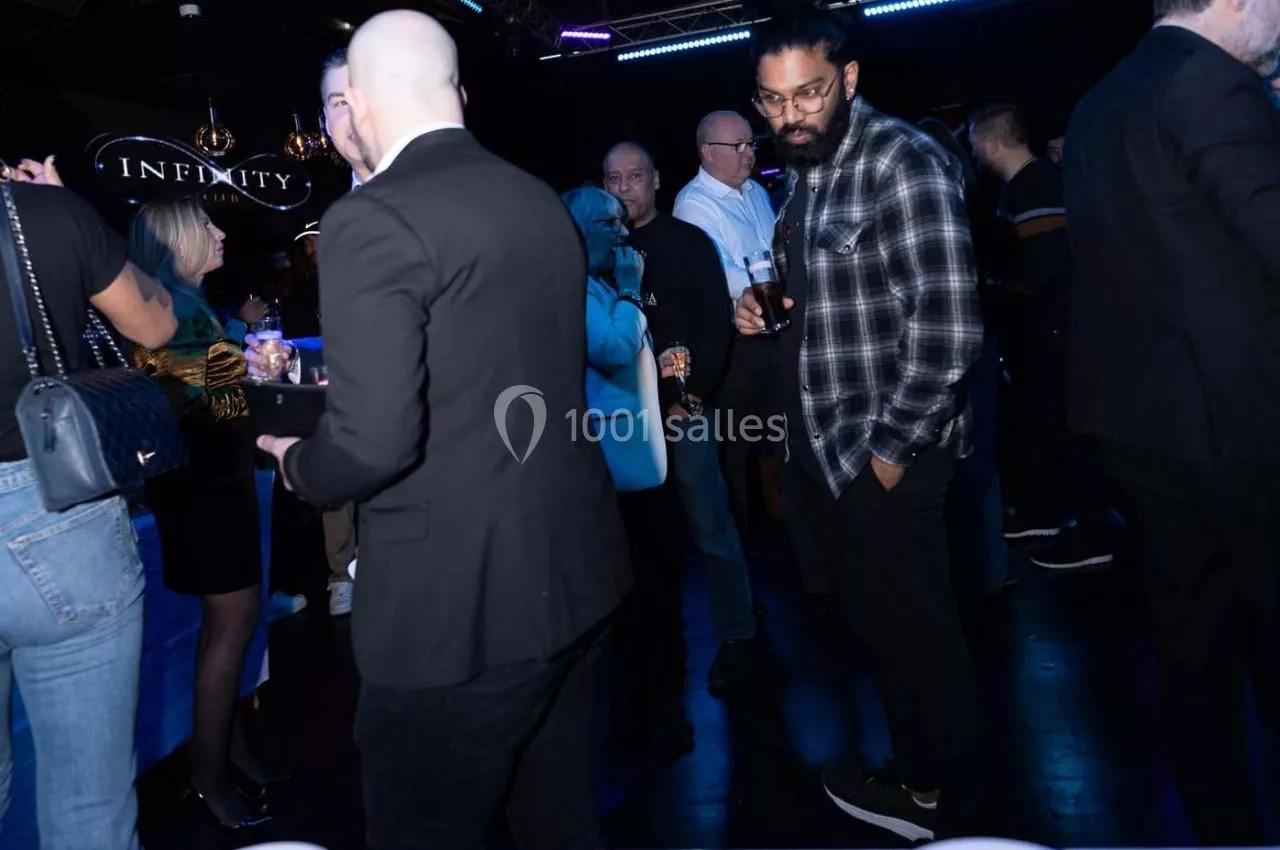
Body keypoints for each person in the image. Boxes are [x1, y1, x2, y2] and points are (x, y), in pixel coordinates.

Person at [256, 11, 630, 848]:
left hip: (457, 615)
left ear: (357, 102)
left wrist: (297, 464)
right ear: (456, 91)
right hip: (578, 575)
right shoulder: (536, 197)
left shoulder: (371, 217)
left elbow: (372, 443)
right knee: (560, 827)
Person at [740, 13, 986, 840]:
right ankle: (924, 776)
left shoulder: (901, 161)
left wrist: (888, 453)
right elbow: (830, 299)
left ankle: (941, 802)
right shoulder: (804, 174)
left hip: (883, 452)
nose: (791, 115)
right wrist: (764, 307)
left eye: (809, 93)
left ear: (847, 80)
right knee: (882, 631)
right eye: (773, 101)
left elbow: (949, 330)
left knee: (918, 637)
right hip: (825, 447)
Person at [1064, 0, 1280, 843]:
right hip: (1240, 420)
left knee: (1194, 646)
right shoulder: (1212, 84)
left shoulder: (1100, 101)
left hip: (1143, 421)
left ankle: (1224, 830)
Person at [0, 175, 175, 850]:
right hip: (52, 510)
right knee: (89, 805)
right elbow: (156, 326)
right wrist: (79, 228)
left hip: (53, 515)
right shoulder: (43, 213)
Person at [129, 197, 275, 836]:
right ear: (176, 238)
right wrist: (256, 370)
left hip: (206, 484)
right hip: (207, 487)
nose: (219, 232)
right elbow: (212, 405)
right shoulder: (175, 308)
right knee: (230, 628)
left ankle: (228, 751)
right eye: (206, 225)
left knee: (228, 629)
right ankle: (207, 776)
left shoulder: (180, 303)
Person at [605, 141, 758, 697]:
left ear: (656, 180)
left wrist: (692, 399)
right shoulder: (599, 250)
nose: (625, 188)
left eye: (635, 176)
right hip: (626, 416)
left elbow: (716, 326)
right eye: (614, 179)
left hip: (684, 409)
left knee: (710, 526)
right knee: (639, 537)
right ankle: (650, 654)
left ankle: (739, 638)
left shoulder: (687, 242)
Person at [969, 103, 1113, 571]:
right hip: (1049, 331)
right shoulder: (1026, 186)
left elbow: (1046, 272)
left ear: (991, 143)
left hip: (1056, 330)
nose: (973, 152)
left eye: (975, 143)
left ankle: (1093, 530)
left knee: (1069, 428)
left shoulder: (1034, 188)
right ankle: (1051, 514)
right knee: (1047, 425)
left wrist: (1002, 285)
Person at [674, 111, 780, 550]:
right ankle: (744, 546)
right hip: (734, 346)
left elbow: (774, 255)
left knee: (778, 439)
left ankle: (783, 533)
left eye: (751, 143)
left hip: (773, 333)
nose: (749, 153)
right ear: (707, 153)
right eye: (737, 146)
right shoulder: (694, 203)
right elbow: (724, 275)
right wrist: (770, 289)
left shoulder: (756, 192)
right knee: (738, 448)